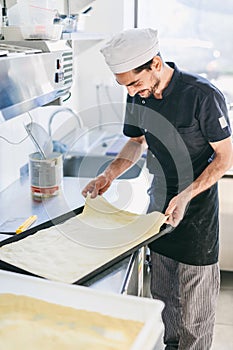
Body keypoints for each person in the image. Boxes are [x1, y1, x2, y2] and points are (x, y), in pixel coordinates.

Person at [82, 28, 233, 349]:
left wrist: (187, 194)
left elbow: (224, 158)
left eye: (135, 83)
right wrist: (109, 174)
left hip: (197, 213)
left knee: (196, 312)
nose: (133, 93)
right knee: (165, 299)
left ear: (155, 63)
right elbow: (136, 142)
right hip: (158, 207)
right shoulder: (138, 94)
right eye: (125, 87)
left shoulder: (202, 96)